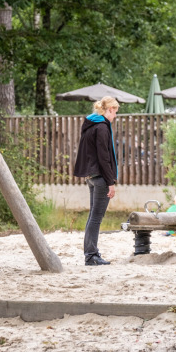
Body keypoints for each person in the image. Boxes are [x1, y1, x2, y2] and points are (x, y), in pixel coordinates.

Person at [73, 96, 120, 266]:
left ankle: (90, 253)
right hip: (100, 178)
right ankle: (91, 255)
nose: (115, 116)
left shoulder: (90, 125)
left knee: (92, 216)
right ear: (109, 110)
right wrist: (111, 182)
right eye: (115, 112)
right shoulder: (102, 128)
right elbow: (104, 157)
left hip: (91, 177)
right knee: (96, 218)